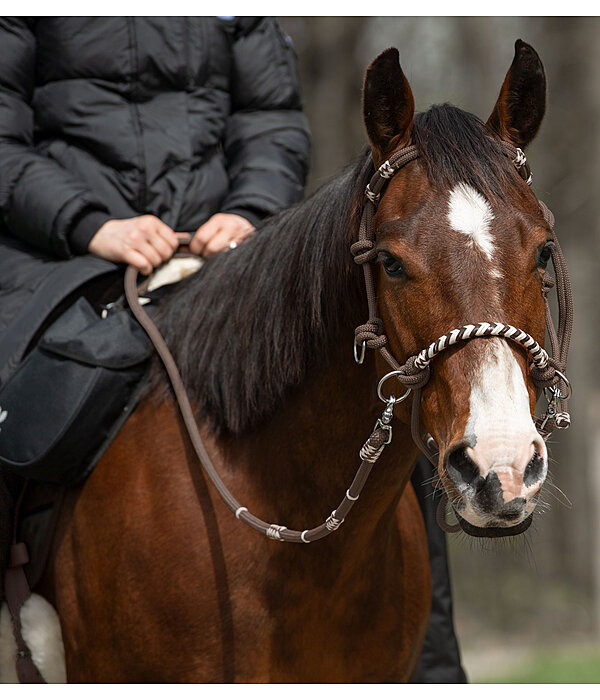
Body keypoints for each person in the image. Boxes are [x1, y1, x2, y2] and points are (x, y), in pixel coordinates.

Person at [0, 16, 465, 683]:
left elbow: (270, 119)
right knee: (18, 405)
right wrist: (90, 224)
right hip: (59, 253)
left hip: (230, 250)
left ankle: (433, 668)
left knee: (389, 400)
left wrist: (251, 210)